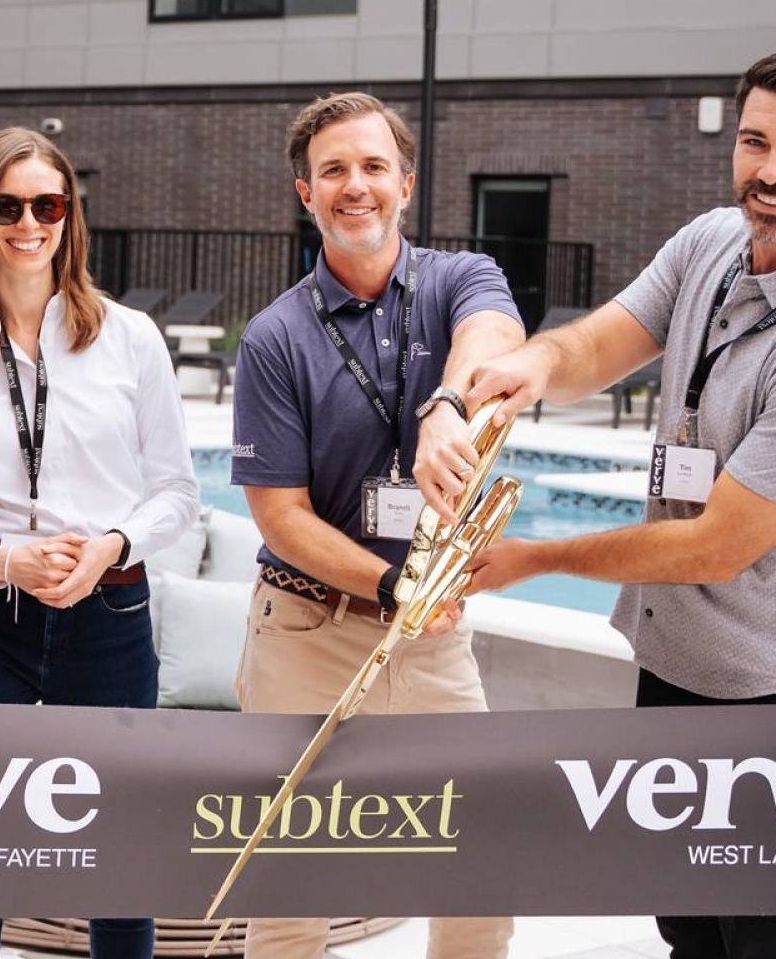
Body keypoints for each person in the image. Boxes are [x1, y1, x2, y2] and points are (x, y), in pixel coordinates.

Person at [457, 47, 776, 959]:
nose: (771, 172)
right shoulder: (710, 244)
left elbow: (714, 548)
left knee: (764, 944)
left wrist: (536, 558)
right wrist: (531, 367)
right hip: (687, 664)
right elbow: (598, 346)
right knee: (687, 927)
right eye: (754, 141)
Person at [229, 92, 525, 959]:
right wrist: (396, 585)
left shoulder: (461, 277)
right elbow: (280, 516)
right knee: (290, 889)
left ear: (404, 181)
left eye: (370, 167)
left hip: (435, 645)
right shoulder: (275, 337)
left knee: (476, 872)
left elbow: (495, 335)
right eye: (332, 172)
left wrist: (447, 403)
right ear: (305, 193)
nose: (353, 186)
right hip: (307, 631)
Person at [0, 127, 200, 959]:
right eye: (8, 206)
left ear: (70, 216)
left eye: (48, 204)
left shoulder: (131, 338)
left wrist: (110, 545)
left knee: (120, 857)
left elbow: (178, 493)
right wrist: (5, 562)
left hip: (110, 610)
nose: (29, 222)